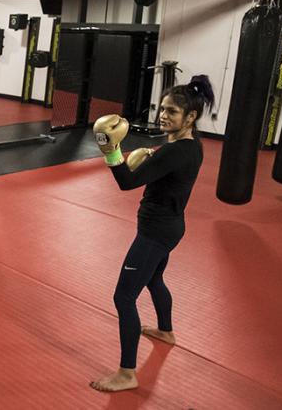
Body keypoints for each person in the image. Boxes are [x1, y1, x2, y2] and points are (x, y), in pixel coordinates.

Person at [89, 75, 215, 392]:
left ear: (191, 117)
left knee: (123, 297)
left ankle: (127, 373)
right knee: (154, 279)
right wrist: (149, 157)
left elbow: (127, 183)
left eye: (172, 111)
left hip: (155, 232)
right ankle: (166, 331)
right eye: (162, 108)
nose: (163, 115)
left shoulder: (174, 152)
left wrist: (110, 149)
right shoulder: (190, 146)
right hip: (170, 227)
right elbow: (155, 169)